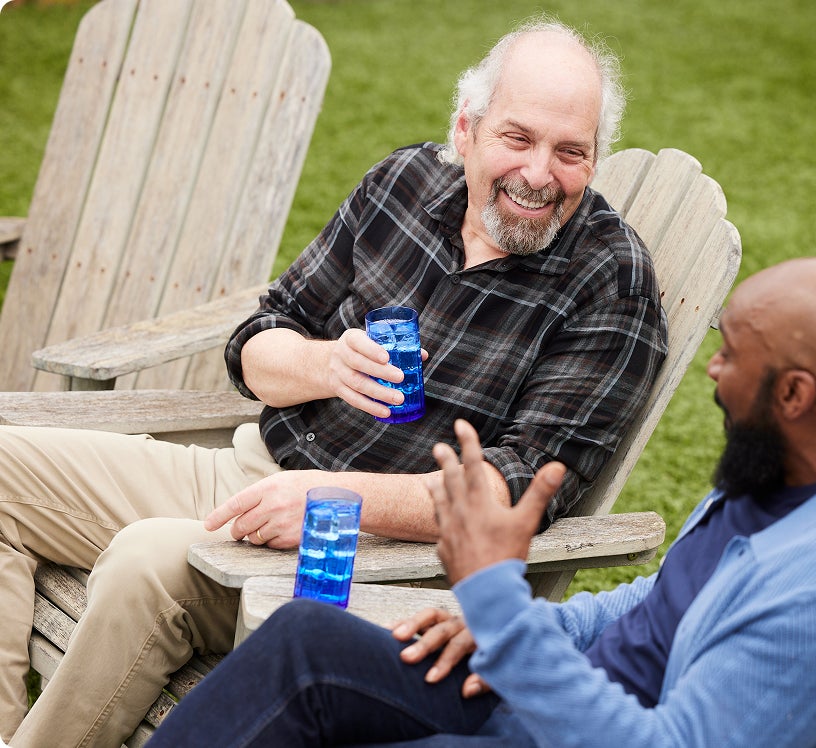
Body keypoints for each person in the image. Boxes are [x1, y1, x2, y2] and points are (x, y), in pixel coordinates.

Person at [0, 19, 668, 747]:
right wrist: (323, 363)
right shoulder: (405, 182)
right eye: (518, 138)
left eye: (571, 152)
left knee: (145, 563)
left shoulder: (612, 281)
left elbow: (513, 489)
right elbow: (258, 338)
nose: (541, 174)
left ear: (594, 159)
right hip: (253, 470)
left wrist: (334, 498)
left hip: (371, 556)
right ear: (467, 130)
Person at [148, 257, 816, 748]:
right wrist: (520, 626)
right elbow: (666, 605)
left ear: (796, 393)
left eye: (730, 354)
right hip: (551, 692)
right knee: (306, 642)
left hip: (571, 728)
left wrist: (498, 599)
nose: (714, 370)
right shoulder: (801, 465)